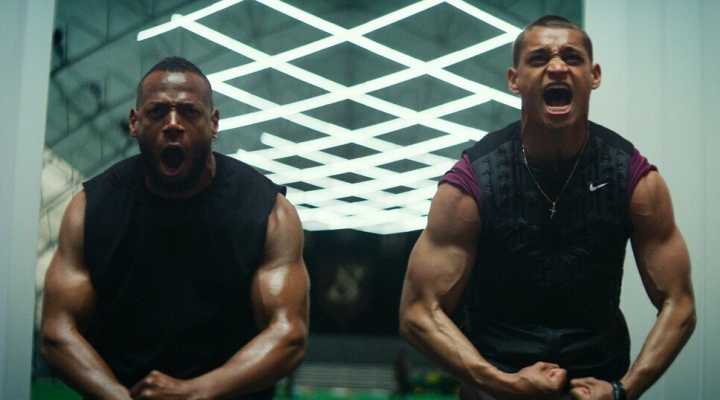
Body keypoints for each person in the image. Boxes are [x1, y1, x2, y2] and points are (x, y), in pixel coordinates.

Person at [399, 16, 695, 400]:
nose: (557, 67)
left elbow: (679, 303)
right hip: (495, 383)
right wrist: (502, 384)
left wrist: (624, 390)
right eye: (539, 59)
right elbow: (418, 312)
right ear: (514, 79)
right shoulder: (470, 184)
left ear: (594, 76)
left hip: (597, 381)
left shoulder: (634, 179)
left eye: (571, 57)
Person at [40, 57, 309, 400]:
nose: (172, 124)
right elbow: (57, 332)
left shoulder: (267, 211)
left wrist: (193, 393)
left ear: (214, 123)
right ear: (135, 122)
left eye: (189, 112)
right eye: (157, 112)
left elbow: (289, 335)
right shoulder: (91, 208)